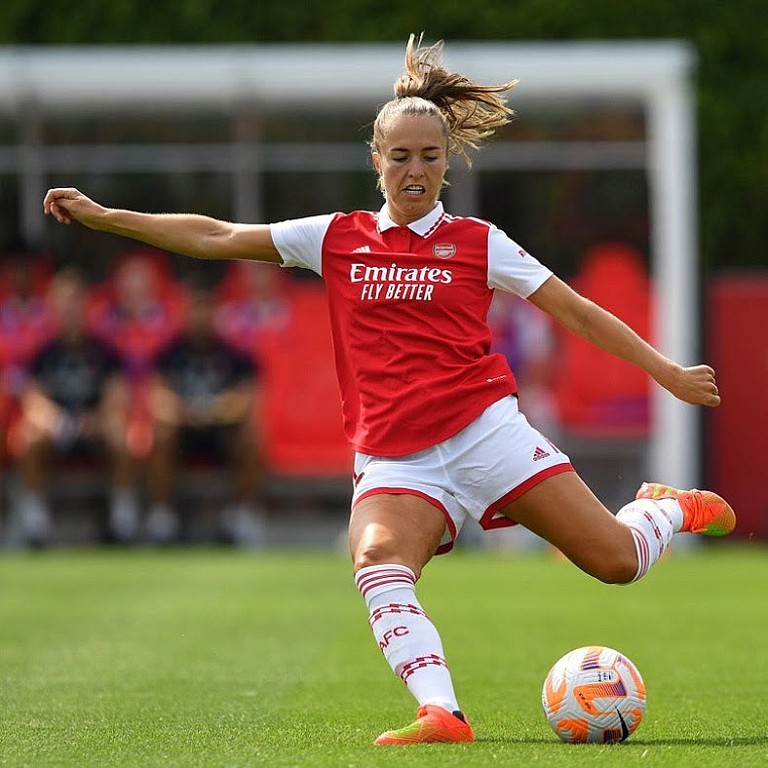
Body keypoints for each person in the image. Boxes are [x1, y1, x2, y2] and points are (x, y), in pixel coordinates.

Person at [42, 34, 734, 745]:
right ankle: (443, 712)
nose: (415, 170)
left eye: (429, 156)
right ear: (376, 162)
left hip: (486, 433)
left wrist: (666, 372)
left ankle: (665, 509)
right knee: (376, 560)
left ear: (447, 161)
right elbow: (216, 235)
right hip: (395, 457)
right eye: (399, 157)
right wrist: (108, 217)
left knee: (616, 562)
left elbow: (575, 311)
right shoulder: (333, 237)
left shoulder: (478, 242)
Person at [7, 268, 136, 546]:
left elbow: (118, 394)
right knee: (27, 438)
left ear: (86, 304)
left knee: (122, 435)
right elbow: (33, 398)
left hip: (95, 424)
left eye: (76, 301)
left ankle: (122, 518)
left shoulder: (104, 350)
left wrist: (98, 419)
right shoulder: (43, 351)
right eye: (64, 302)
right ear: (54, 306)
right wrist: (58, 422)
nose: (70, 309)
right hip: (57, 427)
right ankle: (35, 522)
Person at [146, 283, 266, 546]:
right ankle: (161, 516)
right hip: (182, 428)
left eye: (206, 309)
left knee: (251, 438)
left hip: (221, 428)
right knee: (160, 435)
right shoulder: (168, 353)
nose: (200, 317)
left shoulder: (235, 355)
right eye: (194, 310)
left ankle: (243, 514)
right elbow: (157, 398)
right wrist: (184, 411)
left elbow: (246, 400)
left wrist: (213, 410)